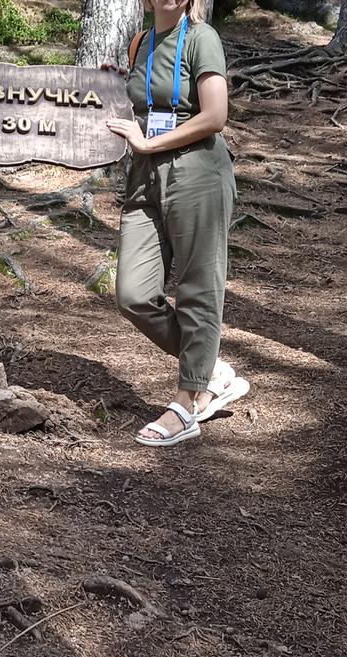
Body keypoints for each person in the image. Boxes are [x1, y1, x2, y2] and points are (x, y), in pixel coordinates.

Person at [106, 0, 249, 447]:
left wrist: (150, 144)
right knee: (133, 294)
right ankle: (209, 370)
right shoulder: (140, 43)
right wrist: (113, 82)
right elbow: (140, 102)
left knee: (198, 288)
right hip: (145, 179)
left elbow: (214, 116)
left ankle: (188, 403)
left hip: (197, 173)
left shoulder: (202, 39)